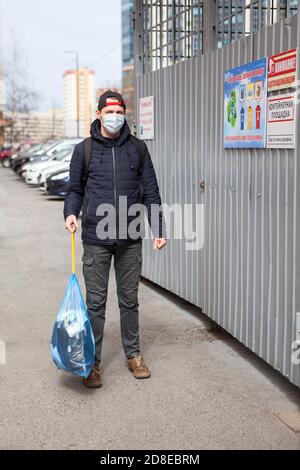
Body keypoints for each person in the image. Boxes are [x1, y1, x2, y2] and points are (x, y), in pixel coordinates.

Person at [64, 90, 167, 388]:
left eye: (119, 110)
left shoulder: (137, 148)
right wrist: (70, 212)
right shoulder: (83, 150)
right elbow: (74, 189)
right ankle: (92, 363)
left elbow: (151, 191)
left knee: (129, 301)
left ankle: (133, 354)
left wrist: (158, 228)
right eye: (109, 111)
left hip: (131, 237)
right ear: (99, 115)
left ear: (125, 113)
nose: (114, 116)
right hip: (96, 236)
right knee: (95, 303)